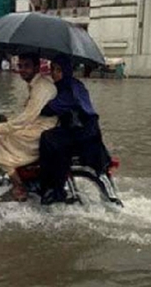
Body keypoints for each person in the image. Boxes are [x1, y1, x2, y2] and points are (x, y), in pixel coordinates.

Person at [0, 53, 57, 202]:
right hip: (37, 127)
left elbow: (27, 118)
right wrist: (6, 120)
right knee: (3, 135)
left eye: (27, 66)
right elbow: (28, 113)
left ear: (36, 67)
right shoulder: (37, 84)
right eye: (20, 66)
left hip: (39, 132)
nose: (22, 70)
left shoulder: (42, 88)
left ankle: (18, 187)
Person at [38, 55, 111, 205]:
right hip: (86, 132)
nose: (54, 73)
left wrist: (33, 104)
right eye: (52, 69)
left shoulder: (68, 90)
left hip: (83, 135)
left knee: (47, 139)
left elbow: (48, 109)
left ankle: (52, 189)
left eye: (59, 70)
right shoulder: (75, 85)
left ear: (67, 71)